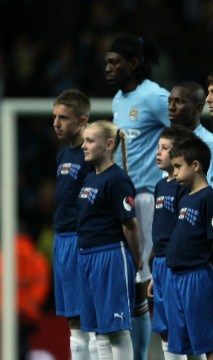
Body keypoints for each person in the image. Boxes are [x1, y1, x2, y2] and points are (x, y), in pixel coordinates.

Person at [106, 34, 170, 358]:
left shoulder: (155, 97)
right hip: (124, 199)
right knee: (132, 283)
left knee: (142, 283)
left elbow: (181, 131)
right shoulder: (118, 99)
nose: (107, 68)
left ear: (132, 64)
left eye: (113, 62)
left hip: (147, 198)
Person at [76, 120, 142, 359]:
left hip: (111, 256)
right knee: (100, 332)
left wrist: (137, 259)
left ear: (109, 145)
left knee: (116, 329)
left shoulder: (117, 180)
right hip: (87, 256)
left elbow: (130, 224)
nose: (84, 145)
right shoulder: (90, 177)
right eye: (84, 140)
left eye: (90, 141)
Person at [164, 137, 213, 360]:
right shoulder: (185, 198)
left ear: (196, 165)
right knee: (187, 347)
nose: (175, 172)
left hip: (199, 278)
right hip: (177, 276)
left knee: (209, 345)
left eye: (178, 167)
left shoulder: (209, 198)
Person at [52, 89, 97, 359]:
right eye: (55, 117)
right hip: (62, 240)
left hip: (83, 241)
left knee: (87, 319)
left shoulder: (90, 157)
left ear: (82, 121)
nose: (56, 123)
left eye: (64, 118)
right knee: (73, 320)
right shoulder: (62, 156)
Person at [147, 126, 194, 359]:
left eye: (165, 148)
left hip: (177, 265)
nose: (159, 152)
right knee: (164, 330)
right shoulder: (160, 185)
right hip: (161, 265)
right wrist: (155, 270)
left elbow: (181, 229)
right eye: (158, 147)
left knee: (180, 329)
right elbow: (159, 228)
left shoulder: (183, 187)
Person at [168, 81, 213, 191]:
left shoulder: (209, 143)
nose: (171, 107)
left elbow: (212, 190)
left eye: (179, 102)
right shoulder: (168, 141)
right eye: (170, 101)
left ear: (199, 108)